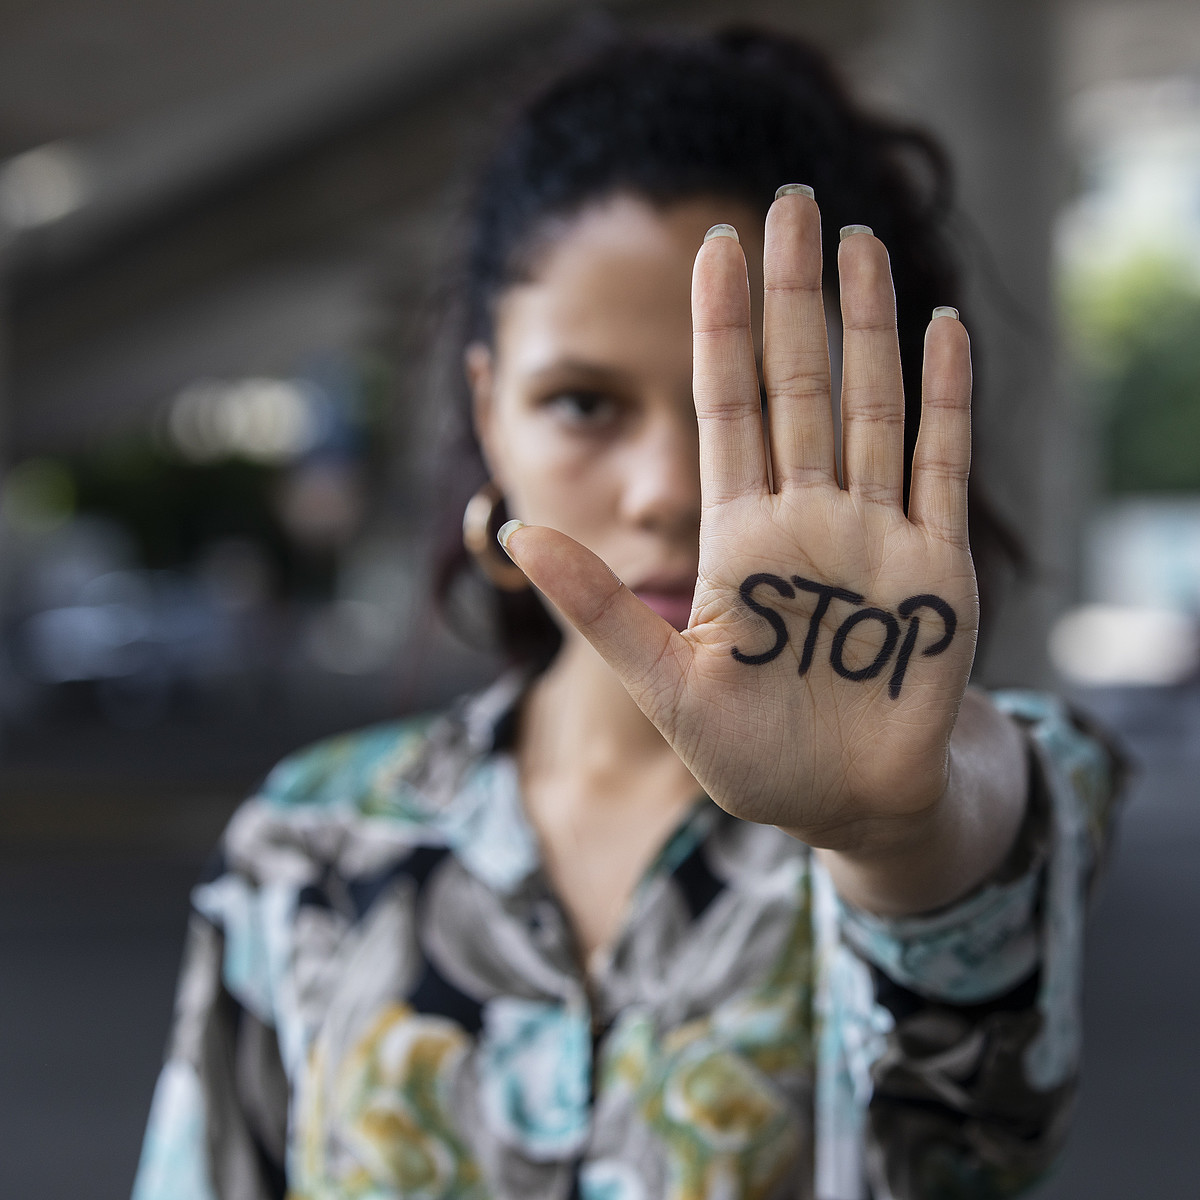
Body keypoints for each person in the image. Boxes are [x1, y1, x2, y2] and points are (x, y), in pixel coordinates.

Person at [132, 27, 1120, 1200]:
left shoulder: (957, 796)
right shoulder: (313, 841)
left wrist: (898, 834)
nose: (668, 489)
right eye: (585, 402)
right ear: (490, 410)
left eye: (734, 400)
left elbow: (973, 1141)